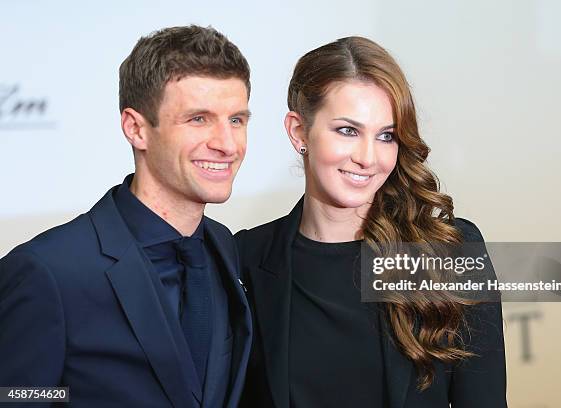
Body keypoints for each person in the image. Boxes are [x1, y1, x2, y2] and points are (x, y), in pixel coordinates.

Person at [236, 36, 507, 407]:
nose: (368, 157)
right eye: (348, 130)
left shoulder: (448, 250)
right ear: (299, 131)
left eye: (386, 136)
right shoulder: (245, 258)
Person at [0, 25, 252, 408]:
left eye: (236, 119)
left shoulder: (225, 248)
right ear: (136, 128)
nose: (227, 144)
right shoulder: (48, 271)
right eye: (198, 119)